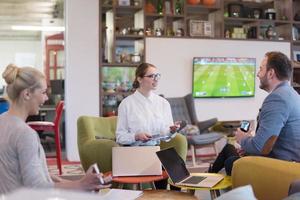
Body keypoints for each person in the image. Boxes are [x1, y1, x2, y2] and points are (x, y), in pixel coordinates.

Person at [0, 64, 111, 194]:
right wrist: (81, 185)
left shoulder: (2, 121)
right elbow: (36, 187)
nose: (46, 98)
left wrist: (79, 183)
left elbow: (24, 174)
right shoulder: (25, 134)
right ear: (27, 94)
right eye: (43, 92)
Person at [209, 51, 300, 175]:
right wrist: (248, 145)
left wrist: (242, 138)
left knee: (231, 161)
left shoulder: (277, 99)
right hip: (287, 163)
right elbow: (268, 142)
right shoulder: (291, 94)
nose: (258, 74)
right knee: (229, 149)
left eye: (261, 69)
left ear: (271, 73)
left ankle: (208, 179)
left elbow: (260, 147)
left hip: (280, 169)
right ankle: (208, 178)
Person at [116, 62, 187, 189]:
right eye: (151, 76)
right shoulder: (126, 104)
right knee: (161, 165)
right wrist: (136, 136)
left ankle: (175, 197)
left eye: (157, 76)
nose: (156, 80)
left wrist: (171, 131)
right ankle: (160, 194)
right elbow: (120, 137)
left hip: (155, 150)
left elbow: (166, 137)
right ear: (139, 78)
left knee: (177, 166)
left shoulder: (163, 103)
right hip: (135, 153)